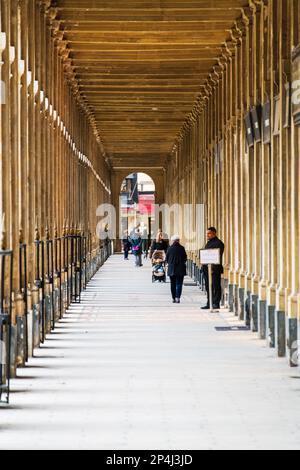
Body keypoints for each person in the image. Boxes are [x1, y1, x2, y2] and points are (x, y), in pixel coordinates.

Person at [201, 227, 225, 310]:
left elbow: (217, 256)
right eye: (207, 233)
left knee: (215, 286)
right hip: (206, 268)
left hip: (214, 269)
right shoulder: (208, 243)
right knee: (208, 286)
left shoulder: (219, 243)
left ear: (214, 233)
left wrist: (213, 267)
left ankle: (216, 303)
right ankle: (209, 302)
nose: (207, 235)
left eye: (209, 233)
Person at [166, 235, 187, 304]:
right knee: (179, 283)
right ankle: (178, 297)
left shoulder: (169, 248)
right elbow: (185, 258)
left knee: (173, 284)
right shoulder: (182, 248)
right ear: (178, 241)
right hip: (180, 268)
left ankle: (173, 298)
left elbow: (167, 259)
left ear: (173, 241)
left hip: (171, 268)